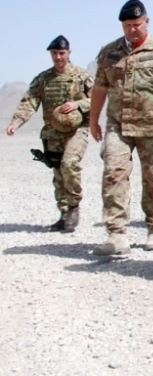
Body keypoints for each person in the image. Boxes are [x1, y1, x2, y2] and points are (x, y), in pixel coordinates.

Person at [90, 0, 153, 255]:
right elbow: (101, 87)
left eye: (137, 24)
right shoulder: (109, 52)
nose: (132, 30)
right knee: (113, 173)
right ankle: (117, 234)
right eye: (127, 25)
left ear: (146, 22)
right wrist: (93, 119)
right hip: (118, 125)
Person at [6, 35, 93, 232]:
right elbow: (30, 101)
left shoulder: (81, 76)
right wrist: (16, 122)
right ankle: (64, 212)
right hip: (53, 132)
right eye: (54, 53)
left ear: (69, 53)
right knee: (58, 172)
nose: (58, 57)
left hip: (76, 131)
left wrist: (77, 104)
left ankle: (73, 206)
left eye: (62, 53)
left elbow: (97, 97)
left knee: (70, 164)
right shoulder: (44, 79)